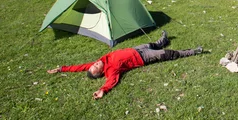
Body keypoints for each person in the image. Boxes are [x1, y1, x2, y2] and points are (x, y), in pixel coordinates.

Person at [47, 32, 202, 99]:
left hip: (136, 49)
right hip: (143, 58)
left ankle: (164, 39)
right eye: (95, 67)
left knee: (153, 44)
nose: (95, 63)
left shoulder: (102, 61)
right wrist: (102, 90)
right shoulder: (111, 70)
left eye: (93, 64)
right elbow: (111, 82)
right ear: (100, 72)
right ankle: (192, 52)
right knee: (168, 54)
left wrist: (62, 69)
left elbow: (80, 67)